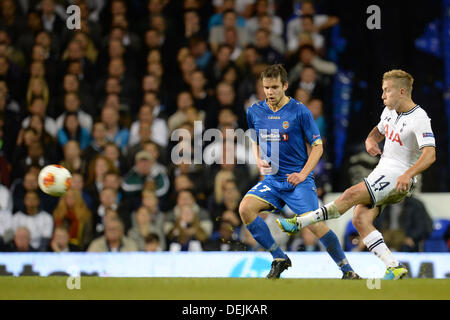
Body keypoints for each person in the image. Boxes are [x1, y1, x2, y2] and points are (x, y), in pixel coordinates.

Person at [277, 69, 436, 280]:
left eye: (387, 91)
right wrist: (371, 140)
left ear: (402, 91)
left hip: (398, 173)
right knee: (360, 218)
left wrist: (408, 174)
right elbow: (379, 131)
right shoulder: (389, 111)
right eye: (382, 90)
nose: (382, 96)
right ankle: (394, 266)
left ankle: (299, 222)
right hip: (383, 170)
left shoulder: (420, 118)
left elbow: (430, 154)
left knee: (350, 194)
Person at [239, 64, 358, 279]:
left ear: (285, 85)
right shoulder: (254, 111)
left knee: (314, 225)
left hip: (298, 181)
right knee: (246, 208)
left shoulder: (300, 111)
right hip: (273, 180)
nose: (270, 92)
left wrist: (303, 175)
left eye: (274, 87)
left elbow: (318, 146)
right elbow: (255, 139)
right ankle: (279, 257)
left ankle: (347, 270)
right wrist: (259, 162)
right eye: (266, 87)